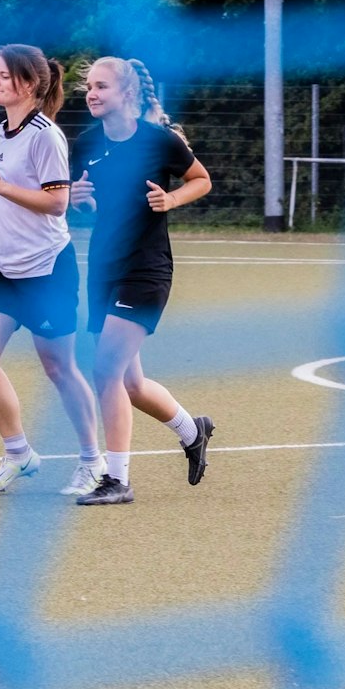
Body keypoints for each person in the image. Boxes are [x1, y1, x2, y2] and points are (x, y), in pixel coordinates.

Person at [67, 56, 215, 506]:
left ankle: (117, 480)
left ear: (126, 94)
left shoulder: (160, 141)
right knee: (129, 384)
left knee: (105, 369)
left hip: (147, 270)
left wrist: (170, 199)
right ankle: (194, 431)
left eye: (102, 86)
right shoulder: (87, 142)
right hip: (104, 269)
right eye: (89, 86)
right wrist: (79, 201)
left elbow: (201, 180)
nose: (92, 93)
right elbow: (86, 209)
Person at [0, 44, 102, 496]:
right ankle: (19, 453)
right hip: (0, 267)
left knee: (59, 368)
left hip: (45, 270)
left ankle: (93, 461)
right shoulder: (3, 131)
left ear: (28, 83)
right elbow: (14, 189)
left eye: (2, 75)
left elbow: (57, 201)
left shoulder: (46, 135)